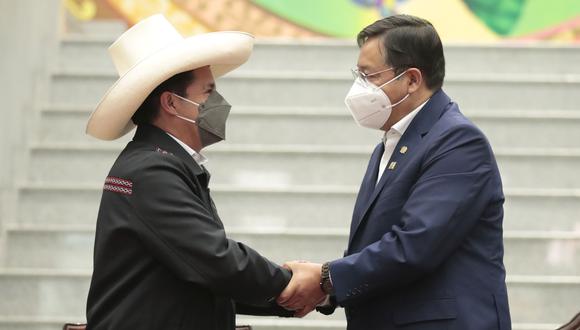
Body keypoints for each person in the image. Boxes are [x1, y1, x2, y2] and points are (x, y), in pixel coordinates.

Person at [277, 14, 512, 329]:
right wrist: (328, 292)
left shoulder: (457, 140)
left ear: (412, 79)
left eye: (369, 75)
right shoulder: (394, 141)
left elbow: (415, 246)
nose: (359, 87)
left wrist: (326, 278)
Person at [85, 15, 293, 330]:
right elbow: (216, 261)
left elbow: (197, 275)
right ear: (172, 103)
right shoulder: (151, 170)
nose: (219, 103)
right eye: (208, 92)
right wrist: (295, 284)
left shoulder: (157, 162)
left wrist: (287, 298)